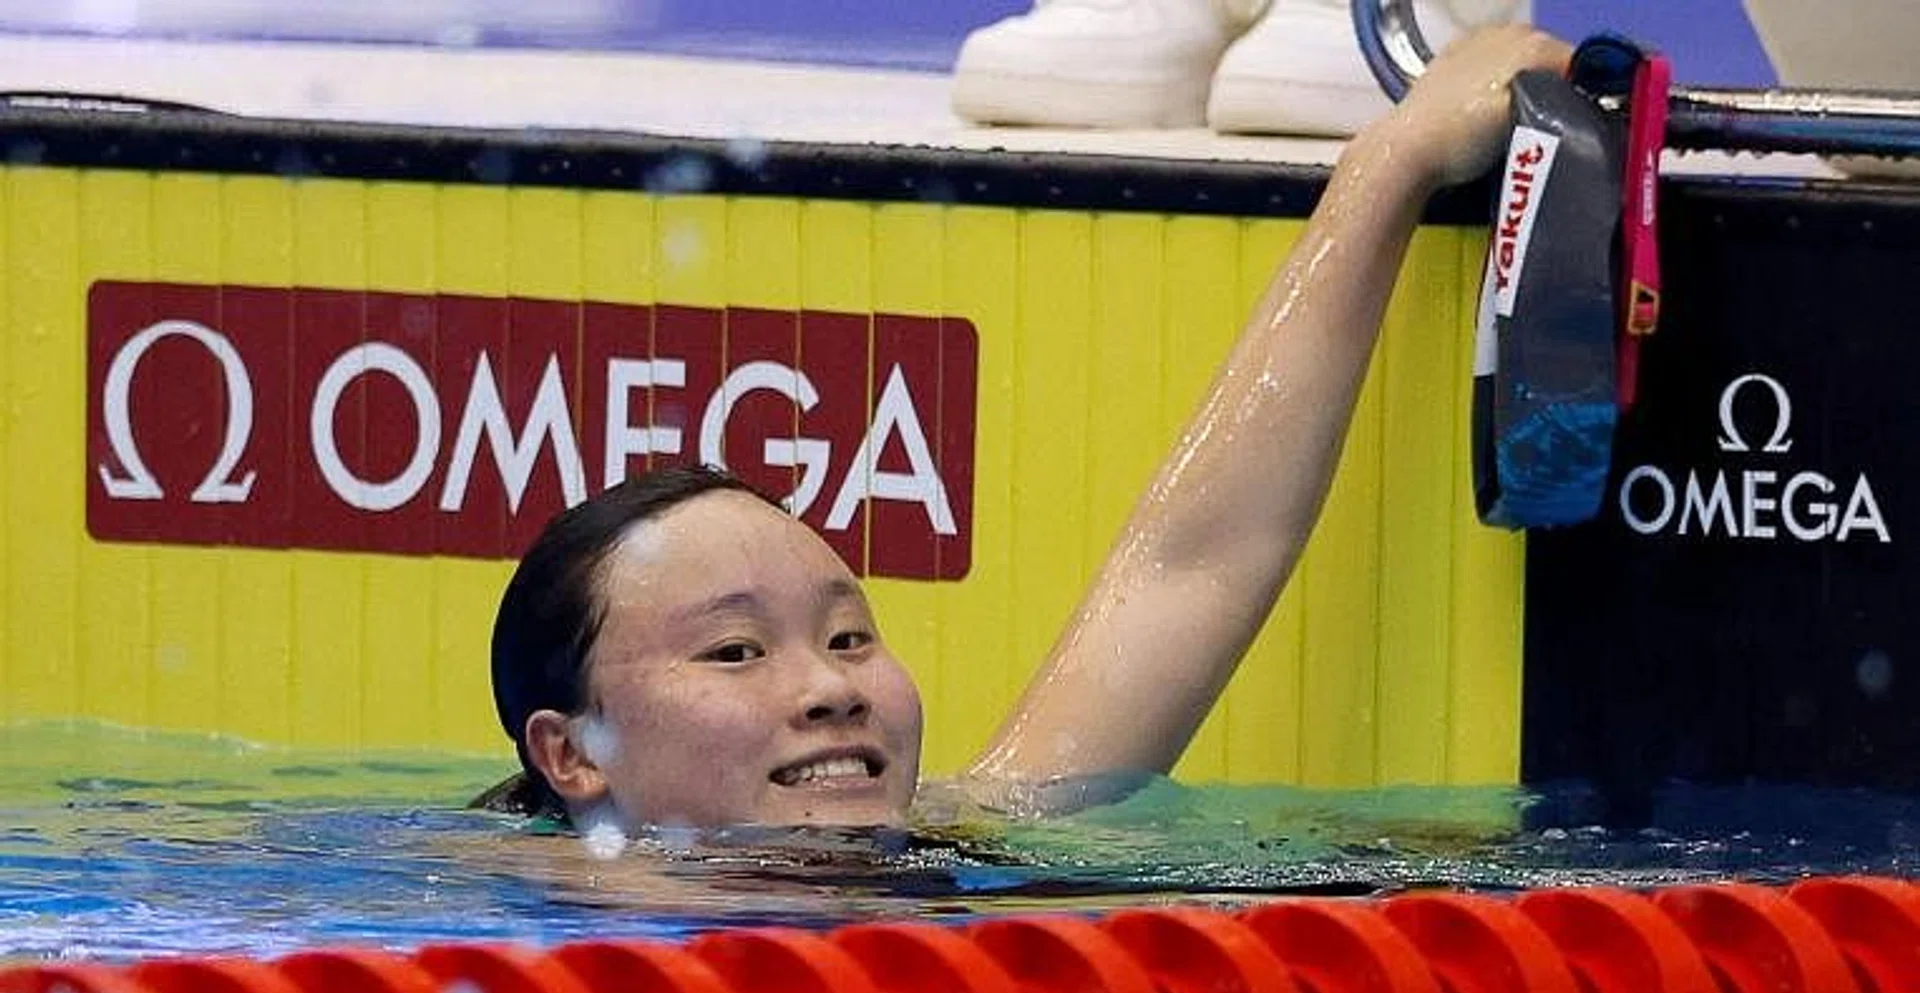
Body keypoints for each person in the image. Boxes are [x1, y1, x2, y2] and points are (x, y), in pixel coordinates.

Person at [478, 26, 1574, 834]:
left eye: (851, 635)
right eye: (735, 651)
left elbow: (1193, 563)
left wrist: (1394, 160)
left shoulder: (978, 838)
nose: (830, 687)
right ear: (572, 753)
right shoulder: (484, 919)